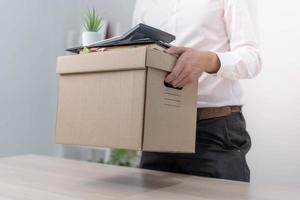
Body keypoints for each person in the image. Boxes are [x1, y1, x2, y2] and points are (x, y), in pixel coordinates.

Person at [132, 0, 261, 182]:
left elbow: (252, 59)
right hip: (159, 128)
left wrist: (208, 60)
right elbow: (137, 53)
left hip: (213, 129)